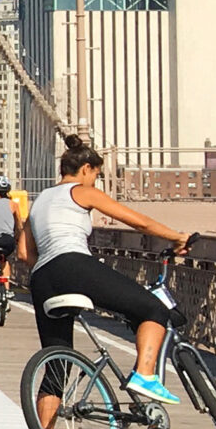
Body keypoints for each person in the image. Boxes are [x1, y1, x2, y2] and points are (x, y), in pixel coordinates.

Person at [19, 140, 194, 414]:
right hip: (73, 264)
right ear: (86, 169)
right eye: (96, 175)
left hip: (42, 277)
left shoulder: (40, 201)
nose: (95, 181)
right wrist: (177, 237)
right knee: (153, 309)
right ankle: (145, 375)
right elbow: (138, 222)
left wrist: (54, 269)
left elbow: (23, 253)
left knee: (57, 365)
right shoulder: (81, 191)